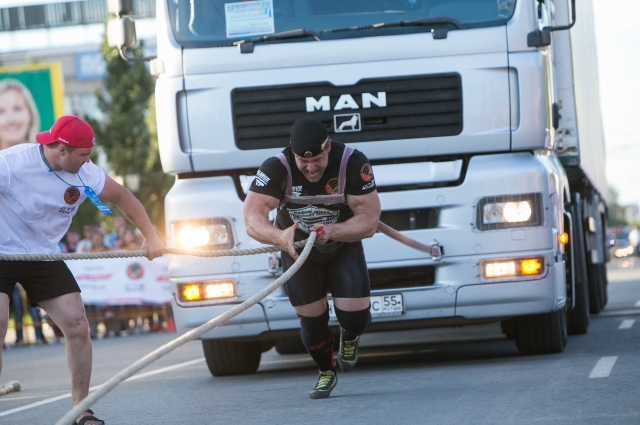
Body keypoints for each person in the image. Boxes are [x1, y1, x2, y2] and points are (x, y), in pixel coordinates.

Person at [0, 115, 164, 425]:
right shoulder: (11, 163)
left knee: (77, 323)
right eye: (83, 155)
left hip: (43, 254)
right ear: (61, 149)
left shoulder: (86, 173)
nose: (88, 162)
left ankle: (80, 410)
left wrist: (150, 234)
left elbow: (121, 197)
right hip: (2, 253)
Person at [243, 118, 380, 399]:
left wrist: (335, 231)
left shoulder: (352, 163)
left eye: (317, 159)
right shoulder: (276, 167)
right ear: (292, 153)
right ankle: (326, 372)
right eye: (303, 162)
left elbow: (369, 220)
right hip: (297, 249)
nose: (311, 167)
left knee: (355, 318)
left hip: (341, 245)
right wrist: (278, 237)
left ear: (328, 147)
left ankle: (350, 337)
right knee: (313, 323)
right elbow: (251, 218)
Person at [0, 78, 40, 150]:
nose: (10, 119)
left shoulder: (48, 159)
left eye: (17, 109)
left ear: (30, 115)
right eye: (1, 112)